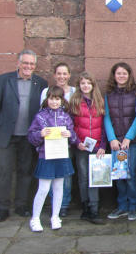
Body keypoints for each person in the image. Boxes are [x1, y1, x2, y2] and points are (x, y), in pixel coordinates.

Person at [0, 49, 48, 222]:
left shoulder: (41, 83)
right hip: (7, 135)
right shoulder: (4, 80)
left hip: (29, 136)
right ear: (19, 63)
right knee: (5, 171)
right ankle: (2, 207)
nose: (28, 66)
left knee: (25, 171)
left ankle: (21, 205)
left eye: (32, 64)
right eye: (25, 63)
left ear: (35, 66)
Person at [27, 86, 77, 232]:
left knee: (58, 187)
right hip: (46, 156)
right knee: (43, 188)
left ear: (62, 100)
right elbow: (31, 136)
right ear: (47, 99)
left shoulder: (66, 116)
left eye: (57, 99)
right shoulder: (40, 116)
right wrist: (40, 134)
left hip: (61, 155)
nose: (54, 102)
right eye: (51, 99)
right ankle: (35, 218)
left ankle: (55, 216)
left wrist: (70, 135)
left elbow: (73, 137)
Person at [104, 62, 136, 221]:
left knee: (130, 175)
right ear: (114, 75)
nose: (121, 76)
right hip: (115, 143)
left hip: (130, 142)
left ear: (129, 75)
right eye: (118, 73)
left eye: (124, 73)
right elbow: (106, 117)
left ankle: (133, 206)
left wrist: (129, 137)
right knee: (118, 175)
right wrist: (112, 138)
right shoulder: (108, 93)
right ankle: (122, 206)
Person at [70, 72, 107, 224]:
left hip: (97, 147)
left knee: (95, 178)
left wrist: (103, 146)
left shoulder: (99, 102)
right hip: (81, 146)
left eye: (88, 83)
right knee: (83, 177)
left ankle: (94, 208)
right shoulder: (75, 102)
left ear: (93, 85)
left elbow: (104, 126)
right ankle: (85, 207)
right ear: (79, 86)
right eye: (83, 83)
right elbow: (70, 125)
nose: (86, 86)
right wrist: (76, 141)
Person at [40, 63, 76, 217]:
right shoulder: (46, 92)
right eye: (59, 74)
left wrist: (71, 134)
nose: (62, 77)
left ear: (69, 75)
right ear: (54, 75)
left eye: (65, 74)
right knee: (51, 173)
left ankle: (64, 204)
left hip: (68, 138)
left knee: (65, 174)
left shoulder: (74, 91)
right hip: (51, 140)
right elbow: (41, 114)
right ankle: (54, 203)